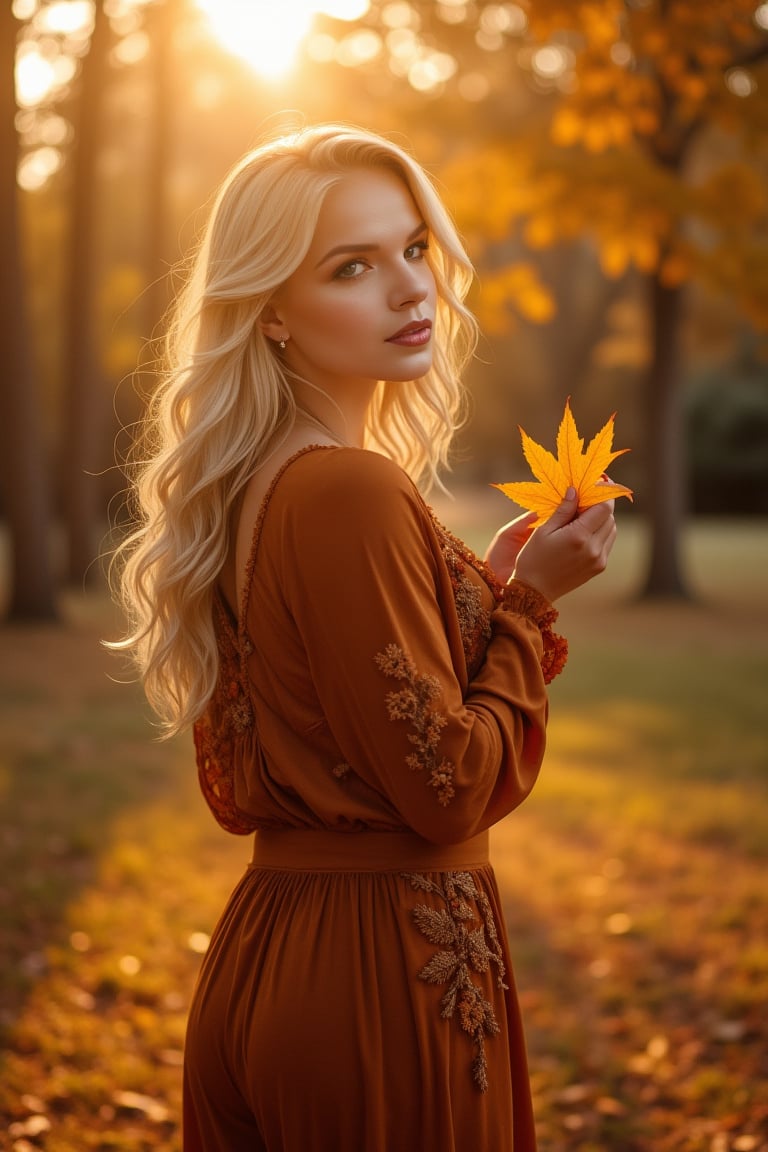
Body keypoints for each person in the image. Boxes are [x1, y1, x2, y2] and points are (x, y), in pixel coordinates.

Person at [111, 122, 616, 1152]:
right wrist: (527, 607)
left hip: (280, 953)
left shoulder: (268, 481)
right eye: (352, 266)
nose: (408, 289)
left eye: (414, 249)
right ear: (274, 314)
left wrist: (499, 590)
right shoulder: (344, 487)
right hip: (377, 981)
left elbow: (362, 725)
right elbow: (447, 787)